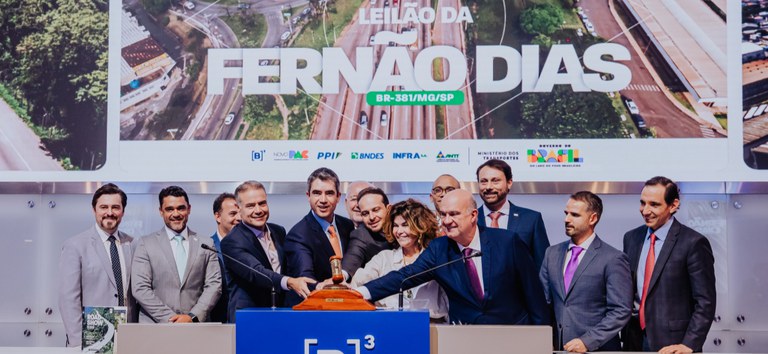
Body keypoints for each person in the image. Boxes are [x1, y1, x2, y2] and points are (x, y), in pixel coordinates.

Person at [358, 189, 549, 325]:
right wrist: (362, 293)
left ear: (473, 215)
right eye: (443, 214)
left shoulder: (507, 242)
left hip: (513, 334)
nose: (447, 221)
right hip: (464, 337)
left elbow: (533, 293)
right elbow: (404, 276)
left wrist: (542, 336)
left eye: (454, 214)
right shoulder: (439, 249)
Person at [622, 177, 716, 353]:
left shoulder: (693, 243)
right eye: (643, 203)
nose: (645, 210)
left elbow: (705, 301)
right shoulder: (631, 238)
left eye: (654, 204)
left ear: (673, 205)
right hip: (633, 339)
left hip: (675, 344)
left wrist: (689, 344)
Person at [539, 191, 632, 352]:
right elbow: (542, 303)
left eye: (574, 215)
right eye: (566, 213)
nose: (566, 219)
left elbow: (620, 310)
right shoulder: (551, 254)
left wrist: (588, 341)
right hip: (558, 348)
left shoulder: (613, 258)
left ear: (593, 218)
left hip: (597, 349)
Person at [220, 181, 314, 320]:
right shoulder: (231, 241)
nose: (258, 210)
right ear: (239, 209)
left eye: (262, 203)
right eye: (250, 206)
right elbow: (257, 272)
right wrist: (290, 282)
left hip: (281, 313)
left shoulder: (278, 231)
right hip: (249, 317)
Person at [58, 183, 137, 347]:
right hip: (91, 337)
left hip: (128, 337)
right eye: (104, 207)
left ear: (123, 211)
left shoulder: (133, 244)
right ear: (94, 210)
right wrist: (79, 341)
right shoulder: (75, 245)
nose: (110, 212)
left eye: (115, 207)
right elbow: (68, 299)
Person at [131, 186, 222, 323]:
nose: (176, 213)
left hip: (196, 327)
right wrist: (171, 319)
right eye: (169, 209)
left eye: (181, 208)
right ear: (161, 211)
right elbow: (140, 288)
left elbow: (214, 285)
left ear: (189, 209)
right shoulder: (145, 243)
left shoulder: (206, 243)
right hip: (155, 328)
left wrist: (192, 316)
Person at [350, 199, 448, 321]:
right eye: (395, 226)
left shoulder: (436, 258)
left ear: (421, 226)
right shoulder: (383, 258)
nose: (399, 231)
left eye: (405, 225)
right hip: (389, 325)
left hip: (432, 327)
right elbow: (356, 287)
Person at [284, 167, 354, 305]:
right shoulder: (298, 235)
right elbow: (306, 279)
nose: (323, 200)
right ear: (308, 196)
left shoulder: (348, 225)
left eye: (329, 193)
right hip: (316, 310)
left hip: (348, 307)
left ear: (338, 196)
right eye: (317, 193)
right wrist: (327, 287)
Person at [476, 158, 549, 268]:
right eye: (484, 181)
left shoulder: (531, 219)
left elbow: (543, 266)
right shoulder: (470, 219)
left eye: (495, 181)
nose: (489, 187)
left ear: (509, 183)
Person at [342, 187, 394, 278]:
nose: (371, 217)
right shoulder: (361, 234)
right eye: (365, 213)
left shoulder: (404, 224)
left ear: (388, 208)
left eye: (376, 210)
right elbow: (352, 258)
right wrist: (342, 276)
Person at [209, 192, 240, 323]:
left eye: (240, 213)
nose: (239, 218)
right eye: (232, 214)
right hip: (216, 323)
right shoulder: (207, 247)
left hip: (246, 319)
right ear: (218, 216)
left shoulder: (252, 246)